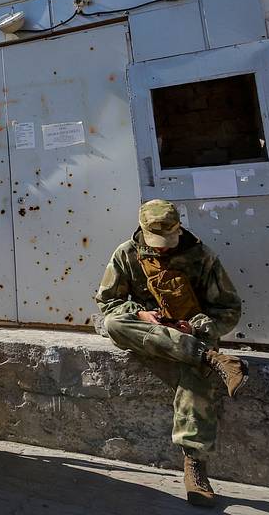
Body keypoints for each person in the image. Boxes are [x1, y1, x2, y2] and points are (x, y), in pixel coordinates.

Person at [95, 199, 247, 508]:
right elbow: (109, 303)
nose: (163, 248)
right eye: (157, 242)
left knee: (195, 377)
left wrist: (197, 326)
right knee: (113, 324)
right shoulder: (126, 254)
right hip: (148, 334)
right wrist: (140, 315)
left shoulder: (201, 257)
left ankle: (195, 466)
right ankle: (210, 358)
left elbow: (228, 310)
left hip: (190, 334)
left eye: (169, 241)